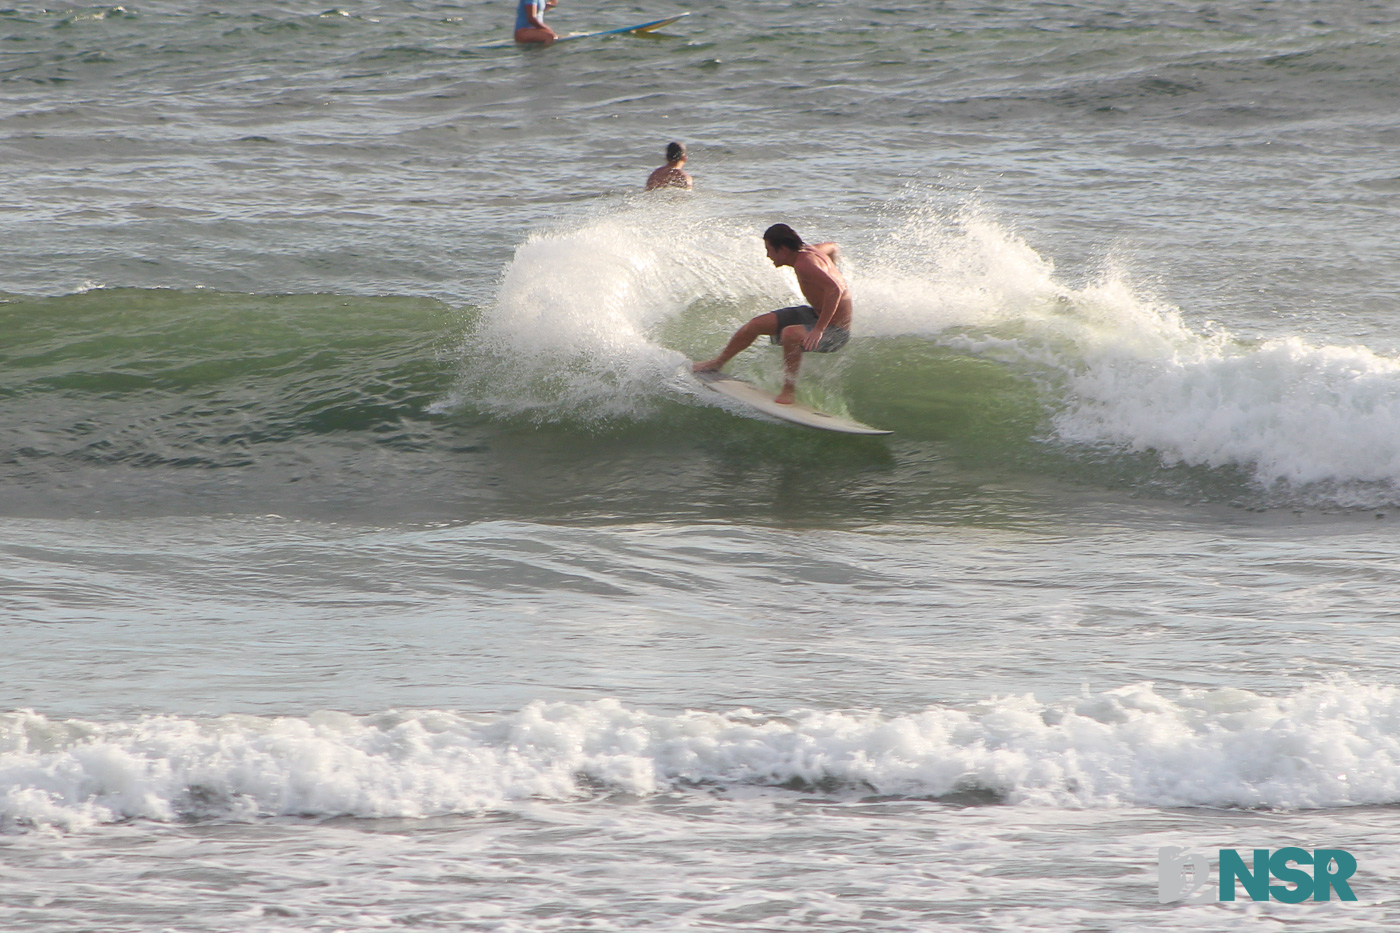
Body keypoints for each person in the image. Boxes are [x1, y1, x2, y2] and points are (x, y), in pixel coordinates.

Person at [692, 223, 852, 405]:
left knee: (790, 334)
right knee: (756, 324)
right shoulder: (811, 250)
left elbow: (835, 289)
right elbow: (832, 246)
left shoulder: (804, 264)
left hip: (835, 330)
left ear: (782, 249)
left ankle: (789, 391)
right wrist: (833, 268)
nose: (768, 256)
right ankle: (718, 363)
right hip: (814, 314)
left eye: (769, 250)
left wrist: (819, 329)